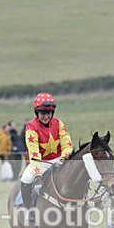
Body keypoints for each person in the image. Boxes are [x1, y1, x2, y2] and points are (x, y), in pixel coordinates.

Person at [19, 92, 73, 220]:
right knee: (26, 179)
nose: (46, 116)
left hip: (59, 159)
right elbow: (34, 152)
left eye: (48, 113)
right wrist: (37, 176)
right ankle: (30, 210)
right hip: (40, 161)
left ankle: (83, 203)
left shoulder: (59, 123)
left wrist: (63, 158)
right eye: (43, 113)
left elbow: (67, 143)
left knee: (76, 173)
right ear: (37, 113)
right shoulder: (31, 127)